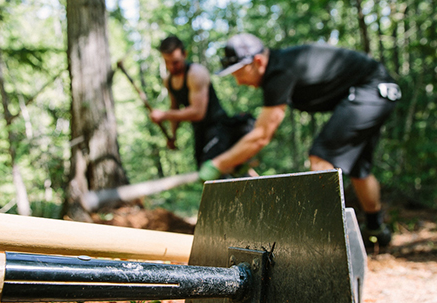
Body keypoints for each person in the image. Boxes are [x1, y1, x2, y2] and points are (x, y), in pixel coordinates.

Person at [206, 33, 400, 247]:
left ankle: (326, 243)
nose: (239, 81)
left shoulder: (278, 72)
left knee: (321, 157)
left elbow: (261, 135)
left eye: (239, 73)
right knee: (359, 169)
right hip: (376, 89)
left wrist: (217, 165)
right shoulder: (280, 65)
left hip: (372, 88)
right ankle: (377, 230)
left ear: (258, 62)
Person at [150, 35, 254, 171]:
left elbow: (198, 113)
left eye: (175, 62)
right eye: (167, 62)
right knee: (205, 171)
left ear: (184, 54)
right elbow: (174, 107)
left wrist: (164, 115)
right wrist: (173, 135)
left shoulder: (196, 74)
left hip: (218, 127)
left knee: (213, 169)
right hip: (199, 131)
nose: (171, 67)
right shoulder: (168, 81)